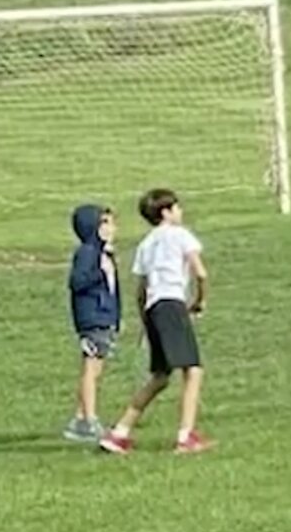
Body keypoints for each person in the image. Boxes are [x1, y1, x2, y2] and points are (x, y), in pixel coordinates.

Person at [98, 188, 214, 455]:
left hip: (153, 308)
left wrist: (145, 321)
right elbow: (201, 272)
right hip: (172, 303)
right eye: (177, 208)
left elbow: (141, 289)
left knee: (161, 376)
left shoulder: (147, 244)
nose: (180, 213)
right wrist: (199, 301)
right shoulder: (180, 235)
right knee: (193, 370)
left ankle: (120, 432)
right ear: (166, 212)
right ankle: (186, 435)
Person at [64, 204, 120, 442]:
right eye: (105, 223)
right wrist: (99, 271)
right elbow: (77, 281)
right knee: (91, 367)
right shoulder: (88, 253)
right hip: (93, 317)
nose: (111, 228)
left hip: (104, 316)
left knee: (96, 369)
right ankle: (89, 419)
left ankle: (80, 417)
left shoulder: (103, 253)